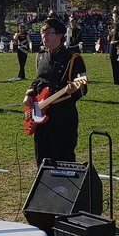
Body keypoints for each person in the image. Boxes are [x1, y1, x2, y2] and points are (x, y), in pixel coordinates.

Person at [22, 18, 87, 164]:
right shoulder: (40, 56)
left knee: (63, 158)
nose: (45, 36)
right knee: (42, 159)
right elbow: (38, 80)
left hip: (62, 116)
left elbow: (83, 83)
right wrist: (29, 94)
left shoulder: (72, 58)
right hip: (40, 116)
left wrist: (75, 89)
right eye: (42, 33)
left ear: (60, 35)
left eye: (49, 33)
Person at [108, 8, 119, 86]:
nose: (115, 18)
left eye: (116, 17)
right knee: (112, 61)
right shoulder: (110, 26)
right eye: (114, 17)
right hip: (111, 44)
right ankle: (116, 80)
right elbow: (108, 38)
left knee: (118, 62)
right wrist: (110, 34)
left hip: (117, 44)